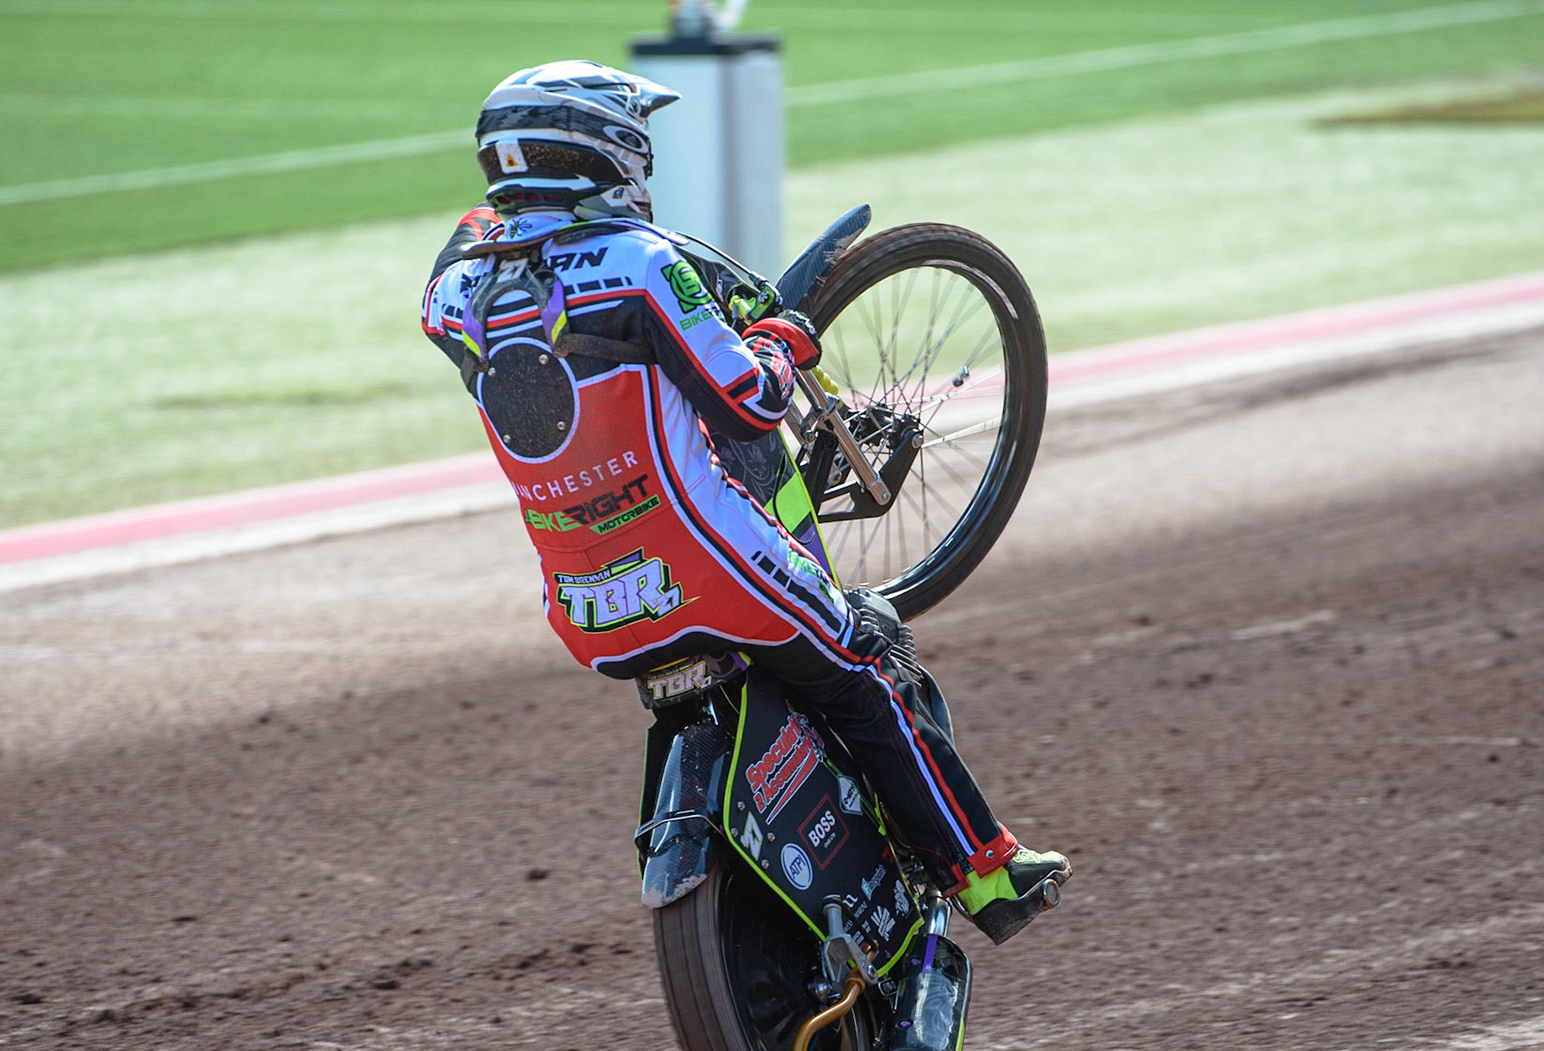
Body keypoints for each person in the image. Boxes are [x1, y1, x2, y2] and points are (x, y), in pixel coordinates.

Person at [420, 62, 1068, 943]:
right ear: (614, 152)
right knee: (865, 670)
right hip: (719, 570)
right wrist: (780, 338)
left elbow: (479, 251)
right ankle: (987, 873)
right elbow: (751, 403)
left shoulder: (453, 294)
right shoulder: (639, 263)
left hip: (585, 606)